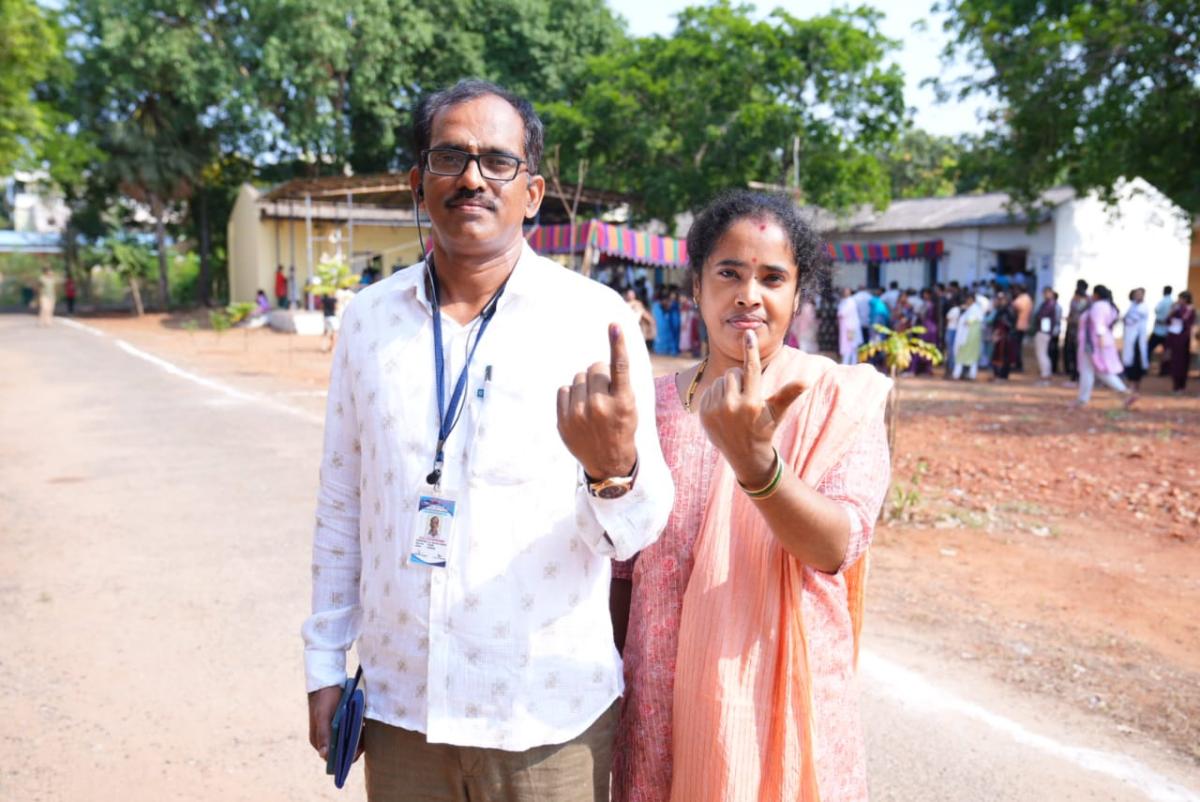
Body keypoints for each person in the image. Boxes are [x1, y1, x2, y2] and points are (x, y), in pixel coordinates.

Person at [302, 80, 673, 802]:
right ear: (418, 182)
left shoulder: (593, 321)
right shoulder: (370, 321)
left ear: (532, 192)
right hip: (406, 708)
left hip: (546, 718)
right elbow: (341, 501)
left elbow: (640, 528)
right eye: (450, 157)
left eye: (498, 161)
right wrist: (324, 663)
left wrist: (613, 473)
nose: (473, 177)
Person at [610, 190, 891, 802]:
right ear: (696, 285)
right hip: (658, 710)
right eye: (729, 273)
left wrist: (758, 466)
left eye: (772, 278)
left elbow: (838, 544)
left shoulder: (836, 399)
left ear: (797, 294)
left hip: (783, 703)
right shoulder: (650, 407)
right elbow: (621, 572)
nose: (749, 295)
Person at [1074, 284, 1136, 409]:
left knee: (1090, 370)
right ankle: (1123, 391)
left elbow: (1099, 325)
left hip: (1093, 343)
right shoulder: (1108, 306)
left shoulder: (1098, 306)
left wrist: (1100, 343)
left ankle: (1083, 399)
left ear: (1097, 294)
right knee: (1099, 370)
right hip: (1098, 341)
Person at [1121, 287, 1151, 391]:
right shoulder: (1132, 305)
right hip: (1130, 337)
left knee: (1137, 361)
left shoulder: (1143, 307)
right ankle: (1131, 383)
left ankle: (1136, 383)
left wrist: (1126, 319)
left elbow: (1131, 319)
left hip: (1138, 338)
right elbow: (1126, 318)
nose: (1137, 296)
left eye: (1139, 294)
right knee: (1130, 360)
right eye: (1136, 294)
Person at [1165, 290, 1195, 394]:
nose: (1180, 301)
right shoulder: (1176, 309)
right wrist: (1172, 311)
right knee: (1175, 363)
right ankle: (1176, 386)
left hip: (1184, 340)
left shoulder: (1190, 310)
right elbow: (1168, 320)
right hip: (1174, 339)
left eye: (1182, 298)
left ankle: (1181, 386)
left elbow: (1186, 322)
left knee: (1182, 364)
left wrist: (1186, 312)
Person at [1033, 286, 1062, 385]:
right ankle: (1046, 373)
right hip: (1045, 331)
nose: (1045, 295)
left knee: (1042, 353)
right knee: (1043, 353)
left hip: (1044, 331)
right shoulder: (1048, 304)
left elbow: (1041, 316)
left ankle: (1045, 375)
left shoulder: (1049, 304)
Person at [952, 293, 984, 380]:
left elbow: (969, 321)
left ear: (972, 300)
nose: (967, 301)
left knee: (968, 356)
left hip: (969, 336)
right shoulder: (970, 309)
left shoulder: (975, 309)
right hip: (966, 336)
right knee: (963, 356)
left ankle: (967, 375)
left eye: (968, 299)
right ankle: (960, 374)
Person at [1062, 280, 1089, 384]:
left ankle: (1077, 375)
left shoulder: (1086, 301)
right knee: (1072, 353)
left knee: (1077, 354)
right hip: (1072, 331)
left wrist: (1072, 320)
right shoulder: (1075, 300)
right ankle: (1074, 374)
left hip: (1079, 332)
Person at [988, 291, 1015, 380]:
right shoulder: (1000, 309)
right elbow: (995, 322)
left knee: (1004, 356)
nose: (1000, 301)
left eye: (1002, 299)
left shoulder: (1009, 310)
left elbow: (1010, 324)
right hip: (999, 336)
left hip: (1005, 337)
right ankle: (997, 374)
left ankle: (1003, 375)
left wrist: (1003, 329)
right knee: (996, 354)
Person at [1149, 285, 1174, 376]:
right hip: (1166, 330)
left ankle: (1146, 367)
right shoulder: (1172, 302)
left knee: (1149, 349)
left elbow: (1156, 310)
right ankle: (1165, 371)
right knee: (1166, 351)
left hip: (1159, 329)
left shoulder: (1163, 301)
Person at [836, 286, 863, 366]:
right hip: (846, 328)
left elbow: (842, 313)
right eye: (844, 291)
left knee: (851, 347)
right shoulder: (844, 301)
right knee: (848, 347)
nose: (844, 293)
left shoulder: (850, 302)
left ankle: (851, 364)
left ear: (849, 292)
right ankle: (847, 363)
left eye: (846, 291)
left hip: (851, 328)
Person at [1010, 286, 1032, 373]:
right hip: (1022, 325)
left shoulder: (1023, 299)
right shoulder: (1027, 298)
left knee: (1016, 347)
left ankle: (1018, 365)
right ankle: (1017, 364)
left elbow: (1015, 305)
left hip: (1019, 325)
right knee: (1017, 346)